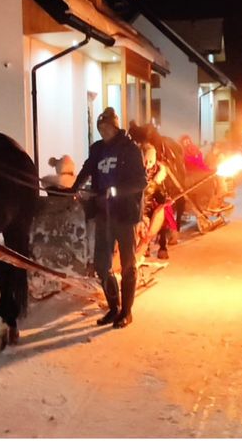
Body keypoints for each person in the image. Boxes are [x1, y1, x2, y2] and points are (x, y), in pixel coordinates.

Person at [71, 107, 147, 328]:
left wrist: (114, 191)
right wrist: (73, 188)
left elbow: (141, 182)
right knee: (102, 265)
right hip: (103, 214)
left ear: (115, 126)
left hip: (125, 214)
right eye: (100, 127)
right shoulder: (97, 149)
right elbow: (87, 169)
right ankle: (113, 308)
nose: (103, 131)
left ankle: (126, 311)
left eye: (107, 127)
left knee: (127, 264)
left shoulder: (130, 149)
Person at [140, 143, 176, 260]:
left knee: (161, 215)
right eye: (144, 161)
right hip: (140, 203)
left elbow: (162, 191)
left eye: (149, 161)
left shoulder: (160, 173)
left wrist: (165, 199)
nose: (147, 165)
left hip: (155, 201)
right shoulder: (136, 172)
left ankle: (162, 245)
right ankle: (144, 247)